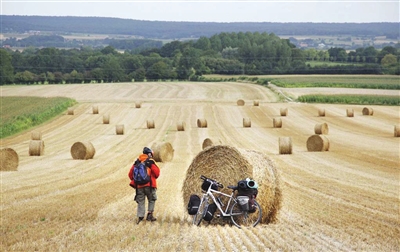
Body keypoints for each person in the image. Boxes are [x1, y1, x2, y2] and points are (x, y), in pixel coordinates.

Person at [128, 147, 160, 224]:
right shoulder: (150, 161)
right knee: (152, 199)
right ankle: (149, 215)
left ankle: (140, 216)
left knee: (141, 201)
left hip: (139, 187)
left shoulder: (137, 162)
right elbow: (157, 173)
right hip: (149, 185)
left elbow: (130, 175)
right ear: (149, 154)